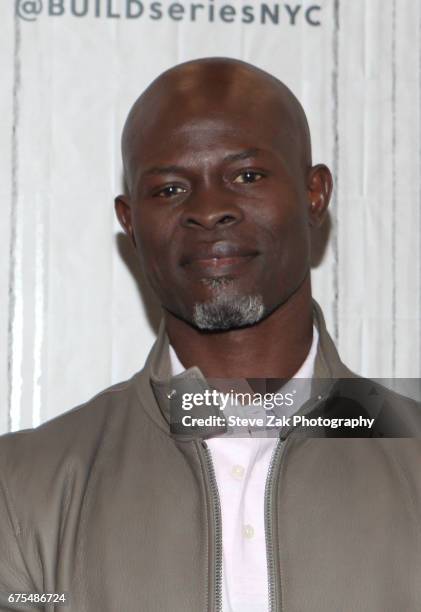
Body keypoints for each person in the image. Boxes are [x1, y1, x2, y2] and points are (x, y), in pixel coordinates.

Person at [0, 58, 420, 612]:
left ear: (315, 194)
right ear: (130, 222)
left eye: (247, 176)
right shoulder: (22, 489)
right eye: (170, 188)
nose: (209, 210)